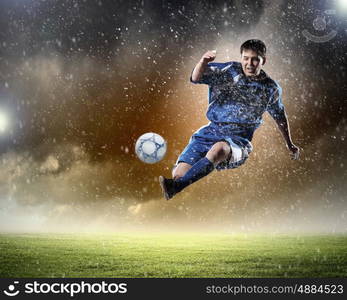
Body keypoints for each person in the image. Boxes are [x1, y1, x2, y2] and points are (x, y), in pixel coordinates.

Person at [159, 39, 300, 200]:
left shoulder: (271, 89)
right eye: (246, 58)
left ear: (263, 60)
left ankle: (175, 187)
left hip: (239, 140)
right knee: (179, 174)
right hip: (210, 132)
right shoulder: (228, 71)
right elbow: (196, 77)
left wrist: (289, 144)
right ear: (241, 58)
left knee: (219, 149)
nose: (250, 63)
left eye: (255, 59)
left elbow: (280, 117)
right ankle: (177, 185)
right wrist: (203, 61)